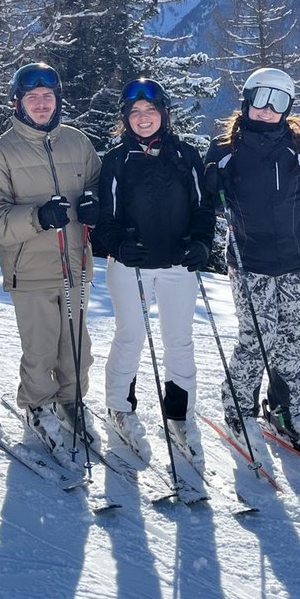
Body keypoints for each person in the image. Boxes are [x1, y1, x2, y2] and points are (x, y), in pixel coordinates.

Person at [204, 68, 300, 457]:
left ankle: (287, 408)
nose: (267, 109)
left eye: (278, 102)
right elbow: (208, 201)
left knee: (294, 340)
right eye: (261, 98)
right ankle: (238, 405)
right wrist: (212, 187)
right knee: (257, 340)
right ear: (245, 101)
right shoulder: (224, 150)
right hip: (250, 260)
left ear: (288, 108)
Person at [0, 62, 100, 454]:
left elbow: (96, 182)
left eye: (48, 97)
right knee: (41, 345)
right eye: (33, 98)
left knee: (77, 343)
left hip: (76, 262)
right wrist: (37, 216)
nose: (42, 104)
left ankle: (71, 399)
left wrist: (97, 204)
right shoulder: (0, 154)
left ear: (57, 100)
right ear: (19, 103)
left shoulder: (77, 142)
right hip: (29, 268)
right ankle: (38, 404)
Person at [92, 78, 214, 468]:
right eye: (135, 113)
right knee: (130, 336)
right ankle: (119, 407)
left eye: (151, 111)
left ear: (164, 113)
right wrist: (117, 244)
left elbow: (203, 208)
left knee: (180, 340)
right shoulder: (115, 160)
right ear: (126, 119)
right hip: (131, 265)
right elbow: (103, 216)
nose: (144, 119)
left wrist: (201, 243)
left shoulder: (185, 156)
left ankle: (179, 413)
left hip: (178, 263)